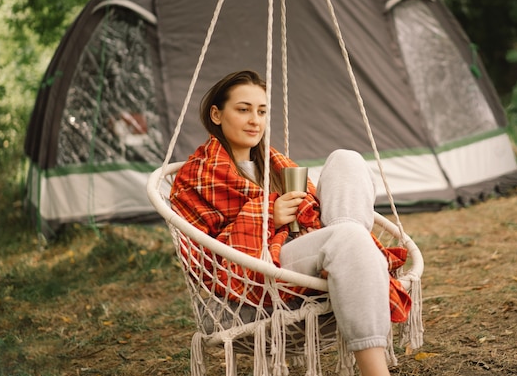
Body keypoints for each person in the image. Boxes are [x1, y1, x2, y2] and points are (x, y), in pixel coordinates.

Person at [170, 70, 411, 376]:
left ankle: (351, 266)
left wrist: (299, 212)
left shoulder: (275, 163)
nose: (255, 120)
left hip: (305, 249)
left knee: (346, 159)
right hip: (258, 275)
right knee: (348, 237)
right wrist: (267, 214)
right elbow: (204, 259)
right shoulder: (196, 176)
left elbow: (315, 209)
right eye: (243, 110)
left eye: (262, 111)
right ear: (216, 114)